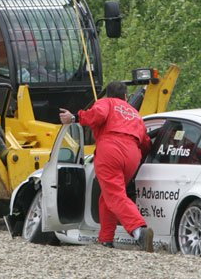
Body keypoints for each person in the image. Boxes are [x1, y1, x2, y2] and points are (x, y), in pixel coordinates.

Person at [59, 81, 153, 252]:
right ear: (126, 96)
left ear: (109, 94)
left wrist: (74, 118)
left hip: (111, 149)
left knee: (114, 195)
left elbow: (97, 115)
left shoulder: (106, 103)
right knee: (108, 196)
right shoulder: (135, 113)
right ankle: (106, 238)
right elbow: (146, 142)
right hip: (133, 154)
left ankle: (139, 230)